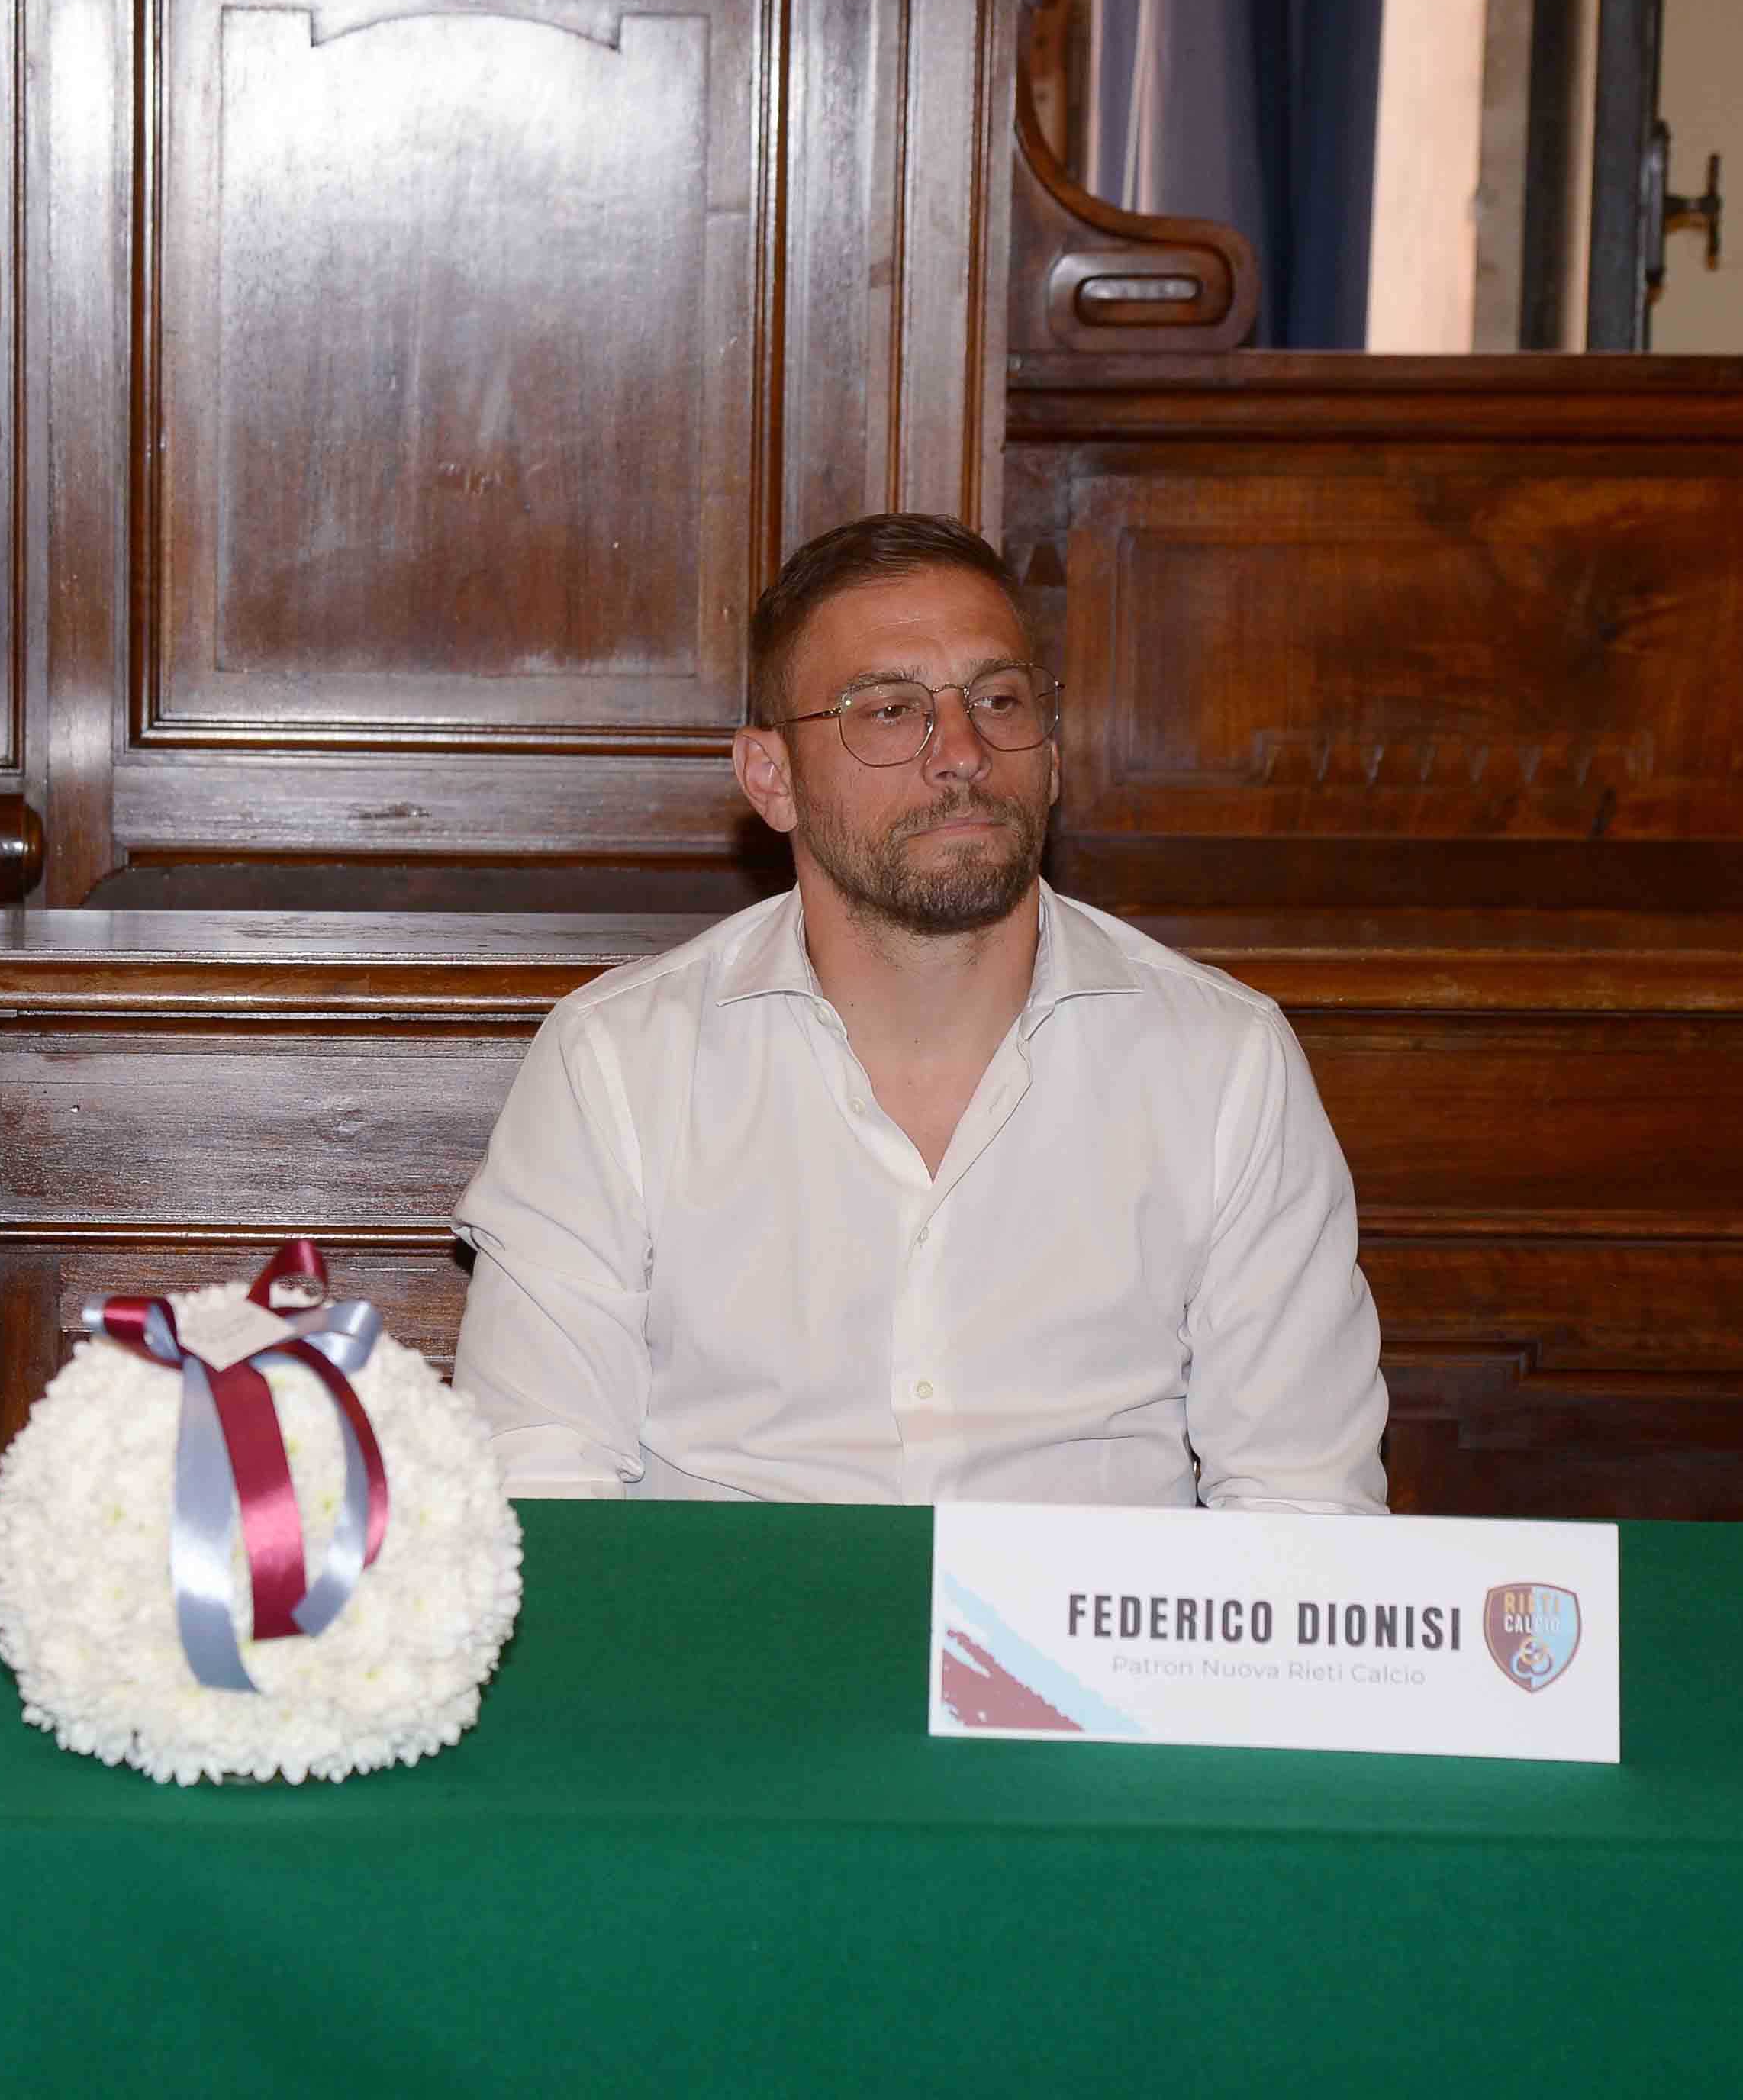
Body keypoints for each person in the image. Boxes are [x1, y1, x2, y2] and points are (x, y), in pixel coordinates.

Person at [453, 513, 1387, 1512]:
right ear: (772, 778)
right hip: (735, 1616)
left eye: (999, 699)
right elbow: (539, 1495)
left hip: (1080, 1620)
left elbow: (1303, 1507)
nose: (962, 753)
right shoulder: (617, 1060)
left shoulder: (1223, 1061)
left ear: (1053, 755)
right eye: (890, 711)